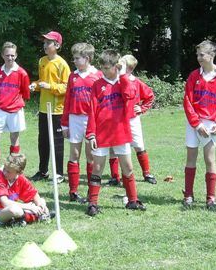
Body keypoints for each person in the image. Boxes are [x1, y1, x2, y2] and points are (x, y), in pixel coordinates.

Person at [85, 50, 147, 216]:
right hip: (101, 133)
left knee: (127, 167)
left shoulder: (123, 82)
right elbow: (91, 110)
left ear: (116, 66)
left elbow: (130, 95)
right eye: (103, 67)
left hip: (121, 132)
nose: (105, 71)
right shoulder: (97, 85)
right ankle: (92, 203)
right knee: (97, 168)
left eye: (108, 68)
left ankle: (132, 200)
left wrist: (123, 75)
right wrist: (91, 134)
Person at [182, 40, 216, 210]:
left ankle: (211, 198)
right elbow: (187, 101)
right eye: (197, 55)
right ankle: (188, 195)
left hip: (210, 125)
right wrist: (196, 124)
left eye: (202, 54)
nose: (198, 58)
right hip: (194, 124)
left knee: (210, 159)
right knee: (191, 158)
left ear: (212, 55)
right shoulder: (193, 76)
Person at [0, 42, 31, 178]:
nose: (10, 58)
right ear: (2, 55)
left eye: (13, 55)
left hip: (15, 110)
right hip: (1, 109)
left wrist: (16, 102)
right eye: (7, 55)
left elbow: (26, 93)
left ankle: (12, 169)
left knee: (14, 139)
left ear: (16, 55)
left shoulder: (22, 73)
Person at [107, 54, 157, 185]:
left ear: (129, 68)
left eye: (121, 65)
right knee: (113, 148)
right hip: (116, 119)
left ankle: (147, 173)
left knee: (139, 145)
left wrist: (142, 108)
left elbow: (150, 96)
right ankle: (115, 176)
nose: (118, 67)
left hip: (132, 119)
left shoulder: (136, 82)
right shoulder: (114, 81)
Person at [61, 42, 102, 203]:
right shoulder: (73, 76)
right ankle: (73, 191)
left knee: (90, 155)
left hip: (91, 119)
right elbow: (67, 100)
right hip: (75, 118)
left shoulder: (97, 75)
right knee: (74, 155)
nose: (75, 61)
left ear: (87, 58)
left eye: (78, 58)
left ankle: (91, 192)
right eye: (74, 58)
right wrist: (64, 124)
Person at [29, 31, 71, 183]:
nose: (45, 45)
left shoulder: (62, 64)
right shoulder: (42, 61)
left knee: (57, 142)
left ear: (57, 45)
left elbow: (67, 87)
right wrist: (35, 85)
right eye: (44, 42)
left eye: (48, 42)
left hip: (57, 110)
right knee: (43, 141)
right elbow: (42, 81)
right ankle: (43, 171)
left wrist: (50, 86)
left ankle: (59, 174)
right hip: (43, 109)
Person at [0, 154, 52, 226]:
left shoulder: (20, 178)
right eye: (4, 169)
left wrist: (40, 206)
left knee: (42, 201)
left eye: (8, 172)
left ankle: (24, 218)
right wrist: (30, 207)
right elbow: (5, 203)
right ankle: (33, 217)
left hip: (8, 208)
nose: (5, 172)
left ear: (19, 173)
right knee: (15, 210)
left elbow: (34, 194)